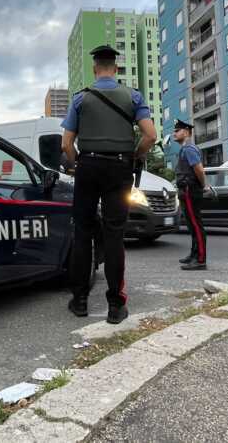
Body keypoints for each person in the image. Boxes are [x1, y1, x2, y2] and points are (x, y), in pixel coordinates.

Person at [62, 45, 156, 324]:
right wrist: (135, 155)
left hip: (88, 166)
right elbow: (150, 135)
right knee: (115, 235)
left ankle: (79, 301)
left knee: (82, 232)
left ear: (95, 69)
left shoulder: (80, 99)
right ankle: (116, 306)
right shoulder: (133, 96)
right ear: (116, 69)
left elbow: (66, 143)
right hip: (120, 166)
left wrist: (78, 162)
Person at [173, 119, 212, 270]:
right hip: (185, 190)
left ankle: (201, 260)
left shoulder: (189, 148)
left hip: (190, 190)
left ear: (186, 132)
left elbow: (199, 170)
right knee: (191, 225)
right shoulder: (185, 149)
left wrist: (204, 185)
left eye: (177, 131)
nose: (174, 133)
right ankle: (194, 254)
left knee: (196, 225)